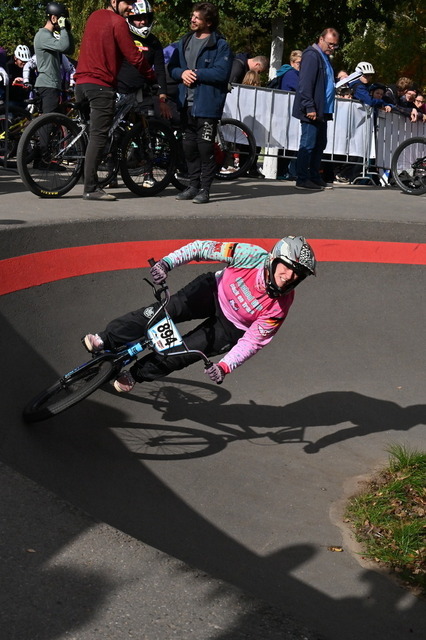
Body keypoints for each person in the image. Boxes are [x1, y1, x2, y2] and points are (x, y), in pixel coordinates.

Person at [82, 236, 317, 392]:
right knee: (159, 313)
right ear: (273, 259)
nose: (289, 276)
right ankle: (107, 338)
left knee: (183, 353)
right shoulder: (250, 255)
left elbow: (253, 341)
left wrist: (225, 366)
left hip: (231, 327)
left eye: (298, 274)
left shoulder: (281, 306)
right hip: (212, 291)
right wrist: (166, 263)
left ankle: (136, 374)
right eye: (287, 267)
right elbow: (201, 248)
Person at [74, 0, 156, 201]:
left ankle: (85, 175)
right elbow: (134, 56)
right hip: (100, 85)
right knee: (99, 135)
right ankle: (91, 188)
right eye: (128, 3)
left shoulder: (94, 16)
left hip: (81, 83)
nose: (131, 7)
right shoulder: (118, 22)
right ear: (114, 2)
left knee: (90, 133)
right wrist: (151, 76)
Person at [168, 2, 233, 204]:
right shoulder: (184, 41)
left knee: (205, 148)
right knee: (188, 147)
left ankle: (205, 189)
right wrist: (182, 73)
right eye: (192, 16)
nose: (193, 20)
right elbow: (172, 68)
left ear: (209, 22)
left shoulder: (220, 45)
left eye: (197, 17)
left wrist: (195, 74)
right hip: (185, 103)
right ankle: (193, 185)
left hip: (207, 105)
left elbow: (221, 73)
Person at [292, 28, 339, 191]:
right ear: (321, 39)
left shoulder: (324, 57)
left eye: (335, 45)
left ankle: (314, 176)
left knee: (320, 144)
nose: (332, 48)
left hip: (322, 109)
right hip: (312, 109)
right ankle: (302, 178)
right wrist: (309, 106)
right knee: (308, 144)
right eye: (330, 44)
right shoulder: (312, 56)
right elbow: (305, 83)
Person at [117, 1, 171, 120]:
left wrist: (162, 99)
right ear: (130, 19)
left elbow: (160, 71)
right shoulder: (123, 36)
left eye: (146, 17)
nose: (143, 22)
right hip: (120, 91)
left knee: (147, 124)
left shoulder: (154, 42)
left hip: (143, 93)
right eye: (138, 18)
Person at [34, 2, 75, 114]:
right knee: (49, 121)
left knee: (54, 119)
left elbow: (69, 50)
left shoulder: (49, 36)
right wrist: (63, 28)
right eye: (62, 19)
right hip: (47, 85)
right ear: (53, 18)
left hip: (52, 85)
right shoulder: (43, 35)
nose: (63, 22)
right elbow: (63, 46)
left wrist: (67, 31)